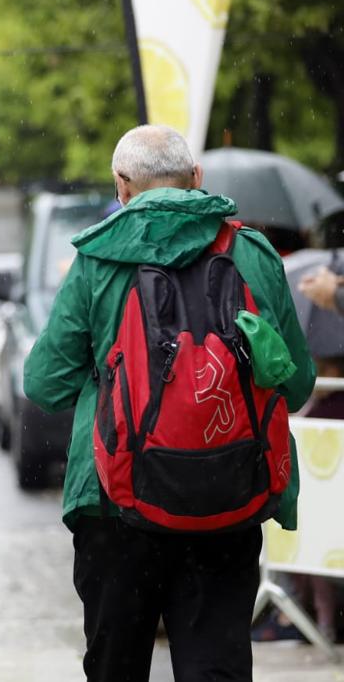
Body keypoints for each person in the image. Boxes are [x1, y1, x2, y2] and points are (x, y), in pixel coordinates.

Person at [23, 125, 315, 681]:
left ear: (121, 186)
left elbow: (43, 384)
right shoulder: (252, 253)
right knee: (216, 667)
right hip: (229, 494)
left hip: (114, 498)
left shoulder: (97, 257)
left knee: (117, 666)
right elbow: (296, 383)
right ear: (197, 180)